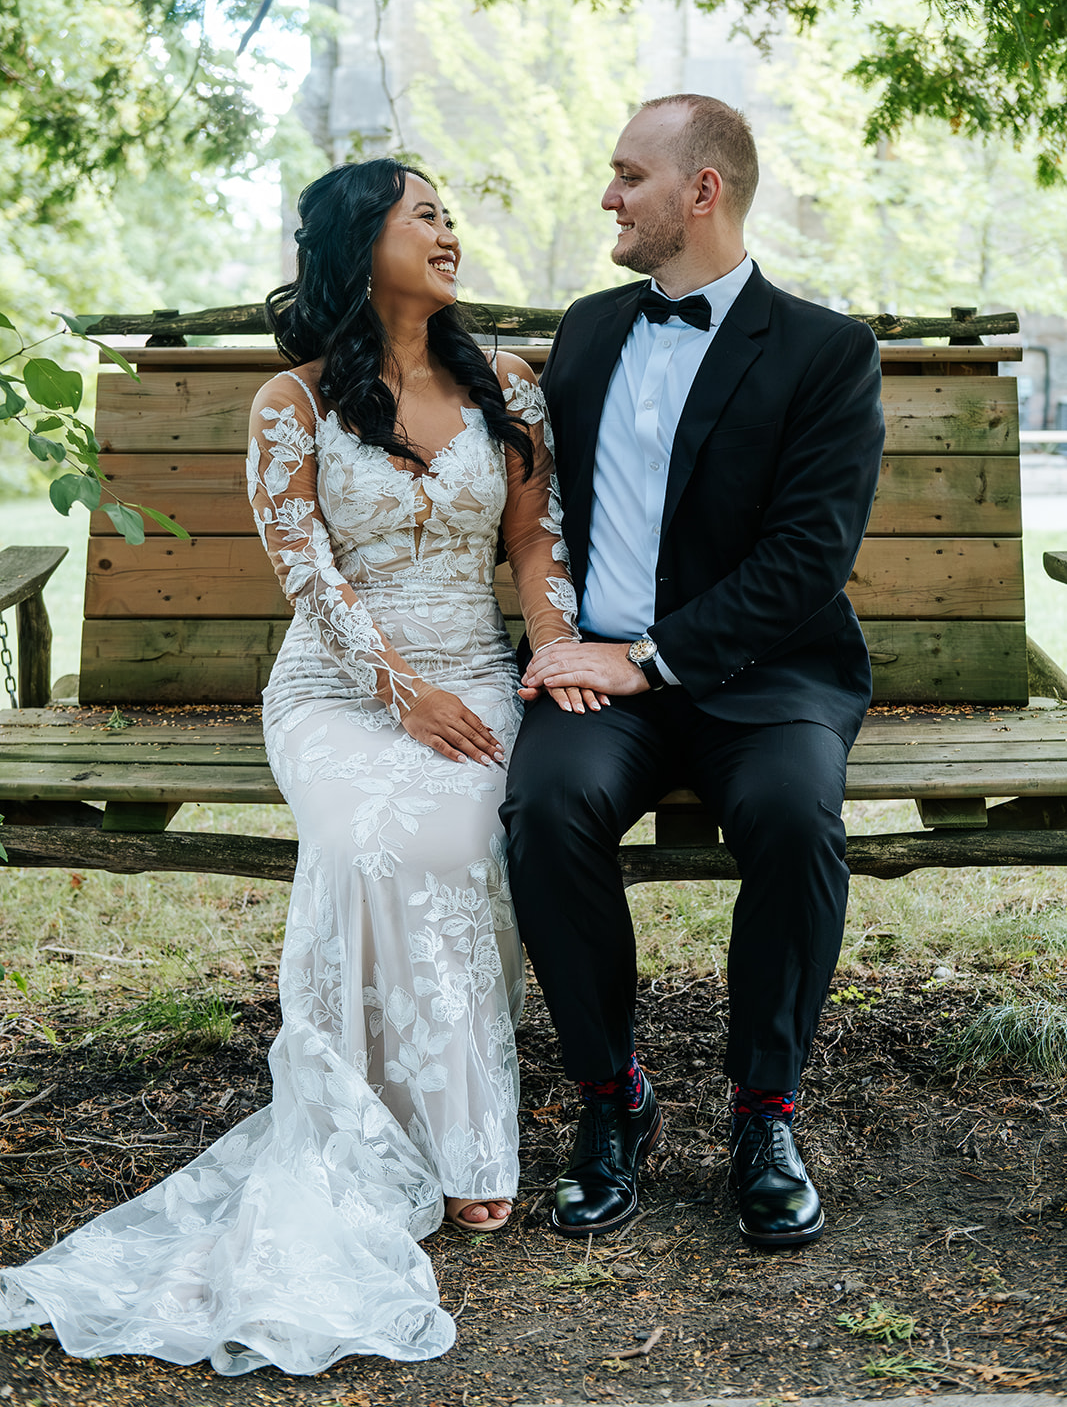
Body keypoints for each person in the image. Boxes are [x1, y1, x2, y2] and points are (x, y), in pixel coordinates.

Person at [0, 159, 584, 1374]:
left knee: (445, 835)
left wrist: (549, 652)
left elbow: (533, 544)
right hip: (337, 686)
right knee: (358, 836)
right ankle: (352, 1130)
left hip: (472, 678)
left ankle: (465, 1139)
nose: (447, 231)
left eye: (449, 215)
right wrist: (395, 692)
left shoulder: (508, 390)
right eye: (422, 213)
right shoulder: (292, 402)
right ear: (355, 242)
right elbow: (309, 580)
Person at [502, 95, 886, 1250]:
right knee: (544, 806)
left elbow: (807, 560)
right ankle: (611, 1097)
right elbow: (538, 500)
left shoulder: (824, 352)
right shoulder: (586, 329)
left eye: (627, 175)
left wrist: (650, 660)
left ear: (700, 190)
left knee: (791, 818)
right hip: (596, 679)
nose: (608, 197)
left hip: (765, 677)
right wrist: (573, 644)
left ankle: (764, 1111)